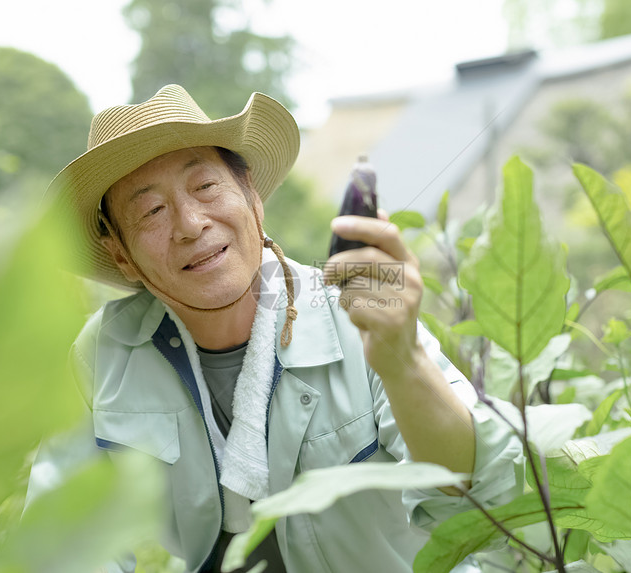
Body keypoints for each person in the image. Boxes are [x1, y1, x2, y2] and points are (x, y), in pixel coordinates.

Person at [27, 84, 524, 572]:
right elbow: (63, 542)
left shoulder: (355, 310)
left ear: (253, 198)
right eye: (151, 211)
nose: (190, 223)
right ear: (122, 256)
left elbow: (482, 491)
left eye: (205, 187)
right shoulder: (103, 352)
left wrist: (404, 362)